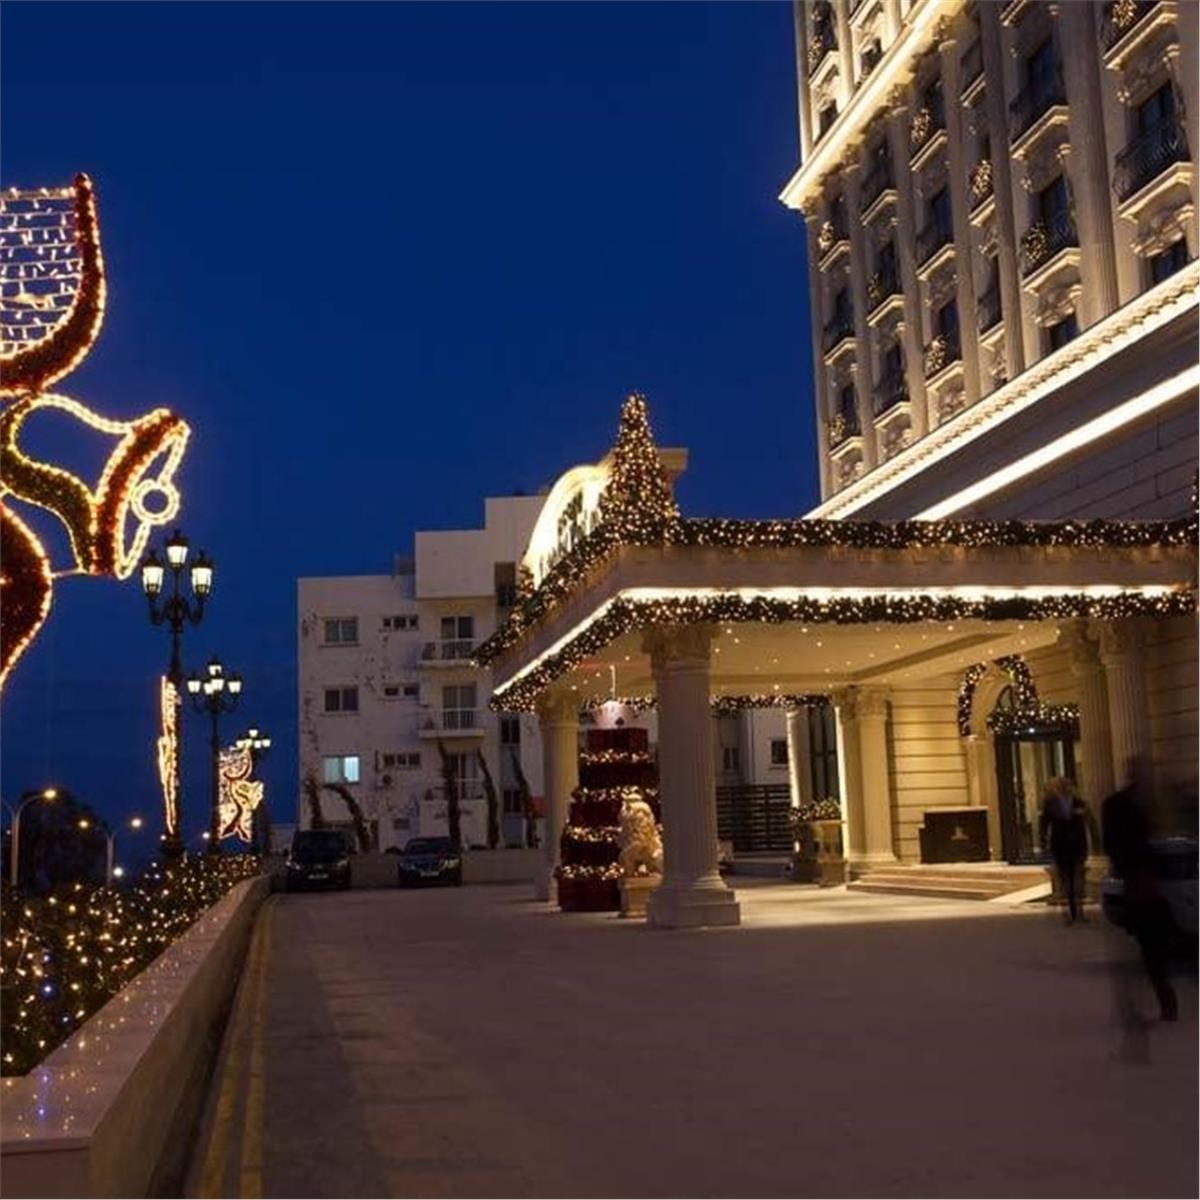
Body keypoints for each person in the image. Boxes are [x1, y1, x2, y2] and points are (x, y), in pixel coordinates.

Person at [1102, 756, 1178, 1025]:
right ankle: (1158, 1001)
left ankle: (1157, 1001)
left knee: (1150, 950)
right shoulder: (1123, 806)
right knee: (1150, 949)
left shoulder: (1141, 804)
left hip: (1146, 886)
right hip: (1141, 884)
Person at [1039, 776, 1088, 923]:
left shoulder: (1078, 802)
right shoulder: (1050, 803)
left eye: (1067, 785)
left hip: (1077, 845)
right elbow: (1044, 823)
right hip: (1060, 845)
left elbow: (1086, 823)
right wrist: (1043, 841)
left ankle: (1079, 912)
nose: (1065, 788)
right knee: (1065, 880)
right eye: (1061, 786)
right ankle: (1067, 913)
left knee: (1078, 881)